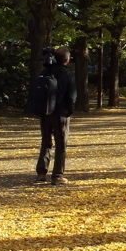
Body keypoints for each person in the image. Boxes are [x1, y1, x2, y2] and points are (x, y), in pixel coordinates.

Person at [29, 46, 76, 185]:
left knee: (46, 142)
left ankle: (41, 173)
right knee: (61, 144)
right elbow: (72, 96)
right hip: (60, 114)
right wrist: (68, 111)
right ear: (67, 59)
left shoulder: (45, 72)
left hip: (45, 112)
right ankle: (57, 175)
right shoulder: (68, 75)